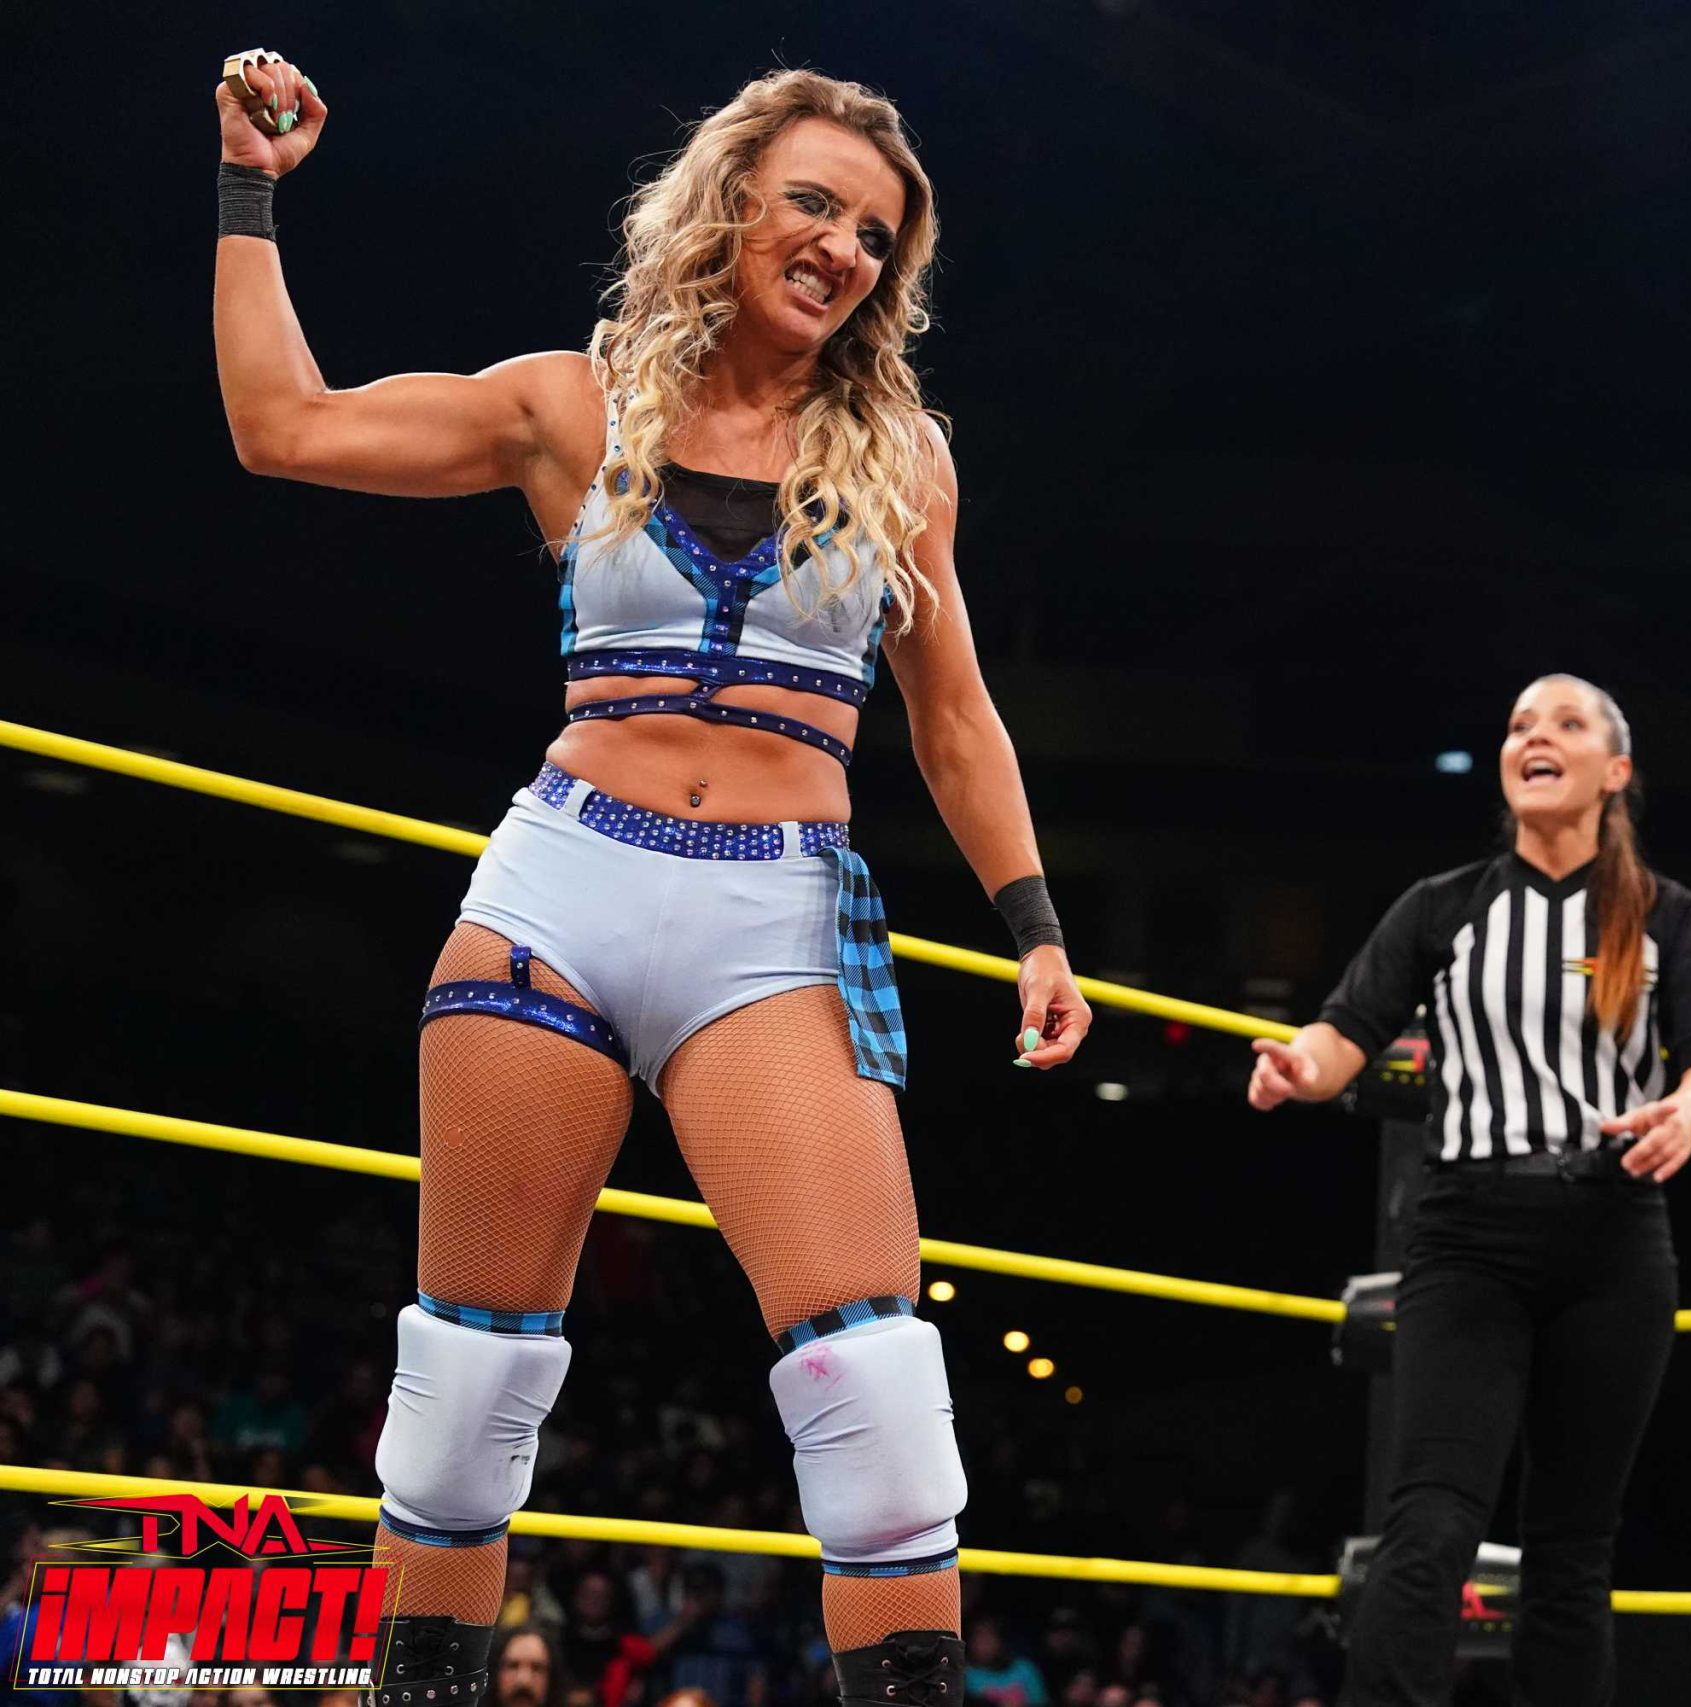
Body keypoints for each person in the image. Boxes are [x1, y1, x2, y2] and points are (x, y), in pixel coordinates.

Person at [211, 52, 1094, 1707]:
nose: (840, 247)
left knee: (881, 1409)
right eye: (813, 203)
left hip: (774, 914)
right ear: (733, 201)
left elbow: (955, 714)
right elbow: (285, 428)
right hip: (559, 893)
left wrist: (1033, 922)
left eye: (875, 234)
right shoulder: (574, 401)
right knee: (463, 1398)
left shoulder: (903, 458)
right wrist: (248, 192)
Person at [1245, 675, 1691, 1706]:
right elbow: (1345, 1032)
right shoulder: (1443, 905)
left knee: (1573, 1546)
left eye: (1564, 722)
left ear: (1614, 771)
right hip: (1469, 1236)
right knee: (1429, 1521)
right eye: (1520, 724)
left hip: (1613, 1236)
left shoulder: (1666, 915)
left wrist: (1685, 1116)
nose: (1533, 737)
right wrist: (1301, 1068)